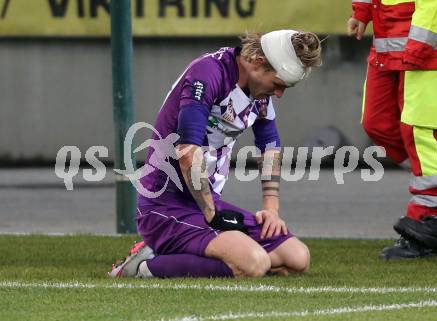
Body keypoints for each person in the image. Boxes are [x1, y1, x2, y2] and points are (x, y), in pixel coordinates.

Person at [108, 29, 322, 278]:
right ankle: (143, 266)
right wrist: (211, 213)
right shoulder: (208, 74)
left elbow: (269, 145)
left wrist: (271, 209)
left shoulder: (259, 93)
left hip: (206, 204)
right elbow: (187, 153)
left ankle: (188, 254)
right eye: (277, 85)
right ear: (257, 62)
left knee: (297, 258)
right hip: (165, 206)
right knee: (254, 264)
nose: (279, 94)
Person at [348, 0, 437, 259]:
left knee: (421, 134)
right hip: (387, 47)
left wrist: (420, 47)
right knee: (376, 123)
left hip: (424, 50)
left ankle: (428, 219)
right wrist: (362, 12)